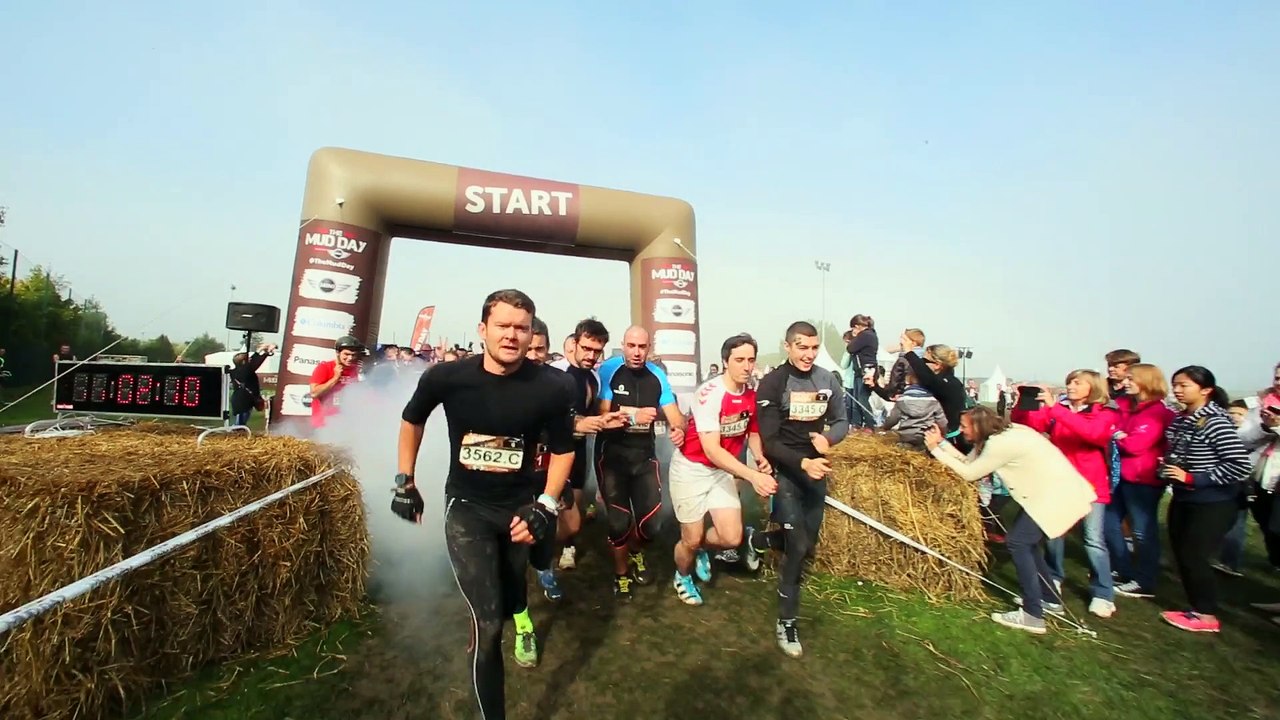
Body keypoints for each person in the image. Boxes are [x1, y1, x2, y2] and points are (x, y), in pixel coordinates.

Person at [391, 289, 575, 719]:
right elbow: (412, 419)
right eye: (503, 326)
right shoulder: (448, 377)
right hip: (467, 507)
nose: (512, 335)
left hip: (519, 509)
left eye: (521, 328)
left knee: (512, 601)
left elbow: (565, 449)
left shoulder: (552, 386)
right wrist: (405, 480)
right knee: (488, 625)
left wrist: (546, 506)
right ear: (482, 330)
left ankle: (515, 615)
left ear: (532, 335)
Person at [925, 407, 1095, 634]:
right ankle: (1049, 600)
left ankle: (1032, 615)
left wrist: (935, 450)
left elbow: (969, 474)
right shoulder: (1004, 434)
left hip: (1053, 496)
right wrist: (942, 444)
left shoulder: (999, 444)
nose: (961, 430)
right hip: (1048, 494)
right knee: (1027, 543)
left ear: (977, 426)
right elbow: (969, 462)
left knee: (1018, 542)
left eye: (964, 426)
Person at [744, 321, 849, 657]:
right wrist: (802, 463)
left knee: (805, 543)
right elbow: (770, 442)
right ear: (787, 346)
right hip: (789, 470)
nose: (809, 354)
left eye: (814, 348)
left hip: (816, 472)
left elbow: (843, 421)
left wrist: (828, 438)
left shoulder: (826, 379)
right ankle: (787, 622)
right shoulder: (773, 383)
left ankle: (755, 541)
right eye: (802, 347)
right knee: (798, 544)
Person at [669, 333, 777, 606]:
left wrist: (759, 455)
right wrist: (752, 475)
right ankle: (682, 575)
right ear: (725, 362)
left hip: (720, 472)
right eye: (739, 360)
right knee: (689, 540)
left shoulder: (751, 395)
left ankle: (703, 550)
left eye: (751, 360)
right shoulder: (709, 394)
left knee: (731, 537)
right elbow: (712, 450)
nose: (747, 366)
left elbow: (752, 430)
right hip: (691, 469)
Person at [1012, 370, 1119, 618]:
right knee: (1053, 535)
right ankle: (1053, 579)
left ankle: (1103, 593)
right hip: (1059, 484)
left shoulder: (1104, 413)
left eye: (1077, 382)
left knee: (1093, 540)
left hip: (1090, 485)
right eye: (1069, 381)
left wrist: (1058, 410)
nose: (1070, 386)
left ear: (1092, 387)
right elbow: (1029, 424)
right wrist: (1023, 402)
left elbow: (1093, 435)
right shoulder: (1059, 409)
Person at [595, 326, 686, 599]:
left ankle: (636, 551)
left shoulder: (657, 376)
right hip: (612, 457)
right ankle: (621, 574)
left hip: (644, 457)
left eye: (642, 347)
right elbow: (601, 414)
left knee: (651, 525)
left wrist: (677, 427)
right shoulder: (609, 370)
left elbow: (675, 415)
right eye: (631, 345)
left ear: (649, 349)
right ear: (623, 345)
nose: (636, 352)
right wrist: (633, 416)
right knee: (619, 523)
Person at [1159, 366, 1251, 633]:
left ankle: (1207, 614)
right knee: (1182, 552)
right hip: (1184, 498)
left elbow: (1239, 465)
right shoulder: (1180, 419)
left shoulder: (1215, 421)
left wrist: (1193, 478)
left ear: (1206, 390)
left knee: (1194, 554)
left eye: (1184, 385)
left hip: (1213, 501)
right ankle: (1194, 608)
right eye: (1175, 384)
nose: (1177, 390)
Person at [548, 318, 622, 571]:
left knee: (572, 515)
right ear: (574, 344)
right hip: (549, 453)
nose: (591, 355)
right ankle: (531, 552)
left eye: (597, 350)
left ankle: (566, 545)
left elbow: (592, 417)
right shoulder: (554, 372)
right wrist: (576, 423)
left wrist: (605, 421)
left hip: (577, 451)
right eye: (586, 348)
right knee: (549, 509)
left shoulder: (594, 378)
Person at [1106, 363, 1176, 599]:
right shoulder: (1127, 409)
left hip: (1143, 479)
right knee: (1109, 522)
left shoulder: (1156, 413)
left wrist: (1118, 436)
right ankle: (1123, 569)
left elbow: (1136, 445)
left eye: (1131, 379)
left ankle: (1145, 580)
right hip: (1122, 476)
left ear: (1146, 381)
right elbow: (1114, 432)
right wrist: (1119, 435)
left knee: (1143, 530)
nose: (1125, 383)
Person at [878, 367, 946, 451]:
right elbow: (941, 420)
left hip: (906, 437)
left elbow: (893, 418)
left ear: (909, 380)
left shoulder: (902, 400)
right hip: (926, 437)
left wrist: (885, 427)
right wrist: (944, 433)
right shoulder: (933, 400)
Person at [309, 336, 363, 430]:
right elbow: (314, 393)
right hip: (323, 424)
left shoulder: (355, 370)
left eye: (353, 355)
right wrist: (335, 378)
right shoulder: (325, 367)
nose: (350, 358)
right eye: (346, 354)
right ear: (338, 353)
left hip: (345, 424)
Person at [844, 314, 879, 429]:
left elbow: (850, 348)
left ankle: (870, 424)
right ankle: (857, 423)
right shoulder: (871, 335)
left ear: (857, 326)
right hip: (863, 371)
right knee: (858, 398)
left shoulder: (865, 335)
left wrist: (854, 338)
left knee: (862, 399)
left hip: (866, 371)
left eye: (853, 328)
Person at [229, 343, 275, 427]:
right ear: (243, 362)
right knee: (239, 425)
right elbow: (255, 362)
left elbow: (253, 362)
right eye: (247, 359)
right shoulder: (246, 370)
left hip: (241, 400)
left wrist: (262, 351)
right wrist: (263, 351)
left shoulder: (236, 371)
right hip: (243, 401)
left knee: (240, 423)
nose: (249, 359)